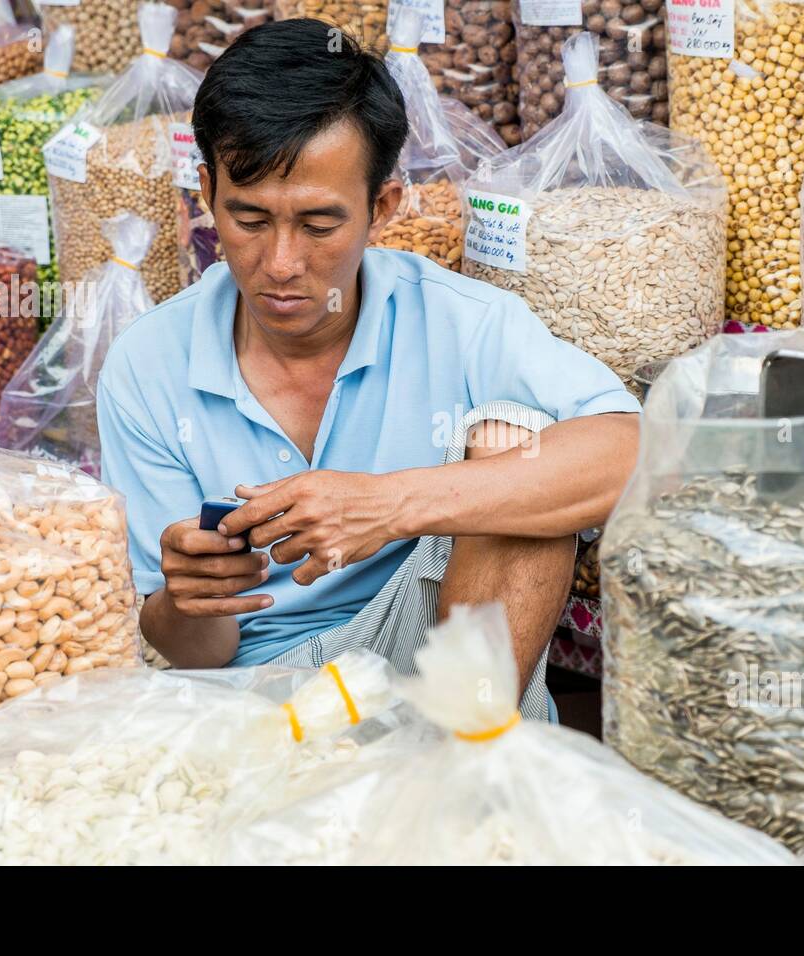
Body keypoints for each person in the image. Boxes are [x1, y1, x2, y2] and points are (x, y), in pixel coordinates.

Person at [96, 18, 640, 721]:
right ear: (206, 194)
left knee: (516, 438)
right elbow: (195, 650)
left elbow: (632, 451)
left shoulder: (461, 321)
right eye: (250, 220)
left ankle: (460, 775)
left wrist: (387, 505)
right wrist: (188, 597)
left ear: (380, 207)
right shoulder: (147, 364)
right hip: (251, 692)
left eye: (320, 224)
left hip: (432, 671)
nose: (283, 263)